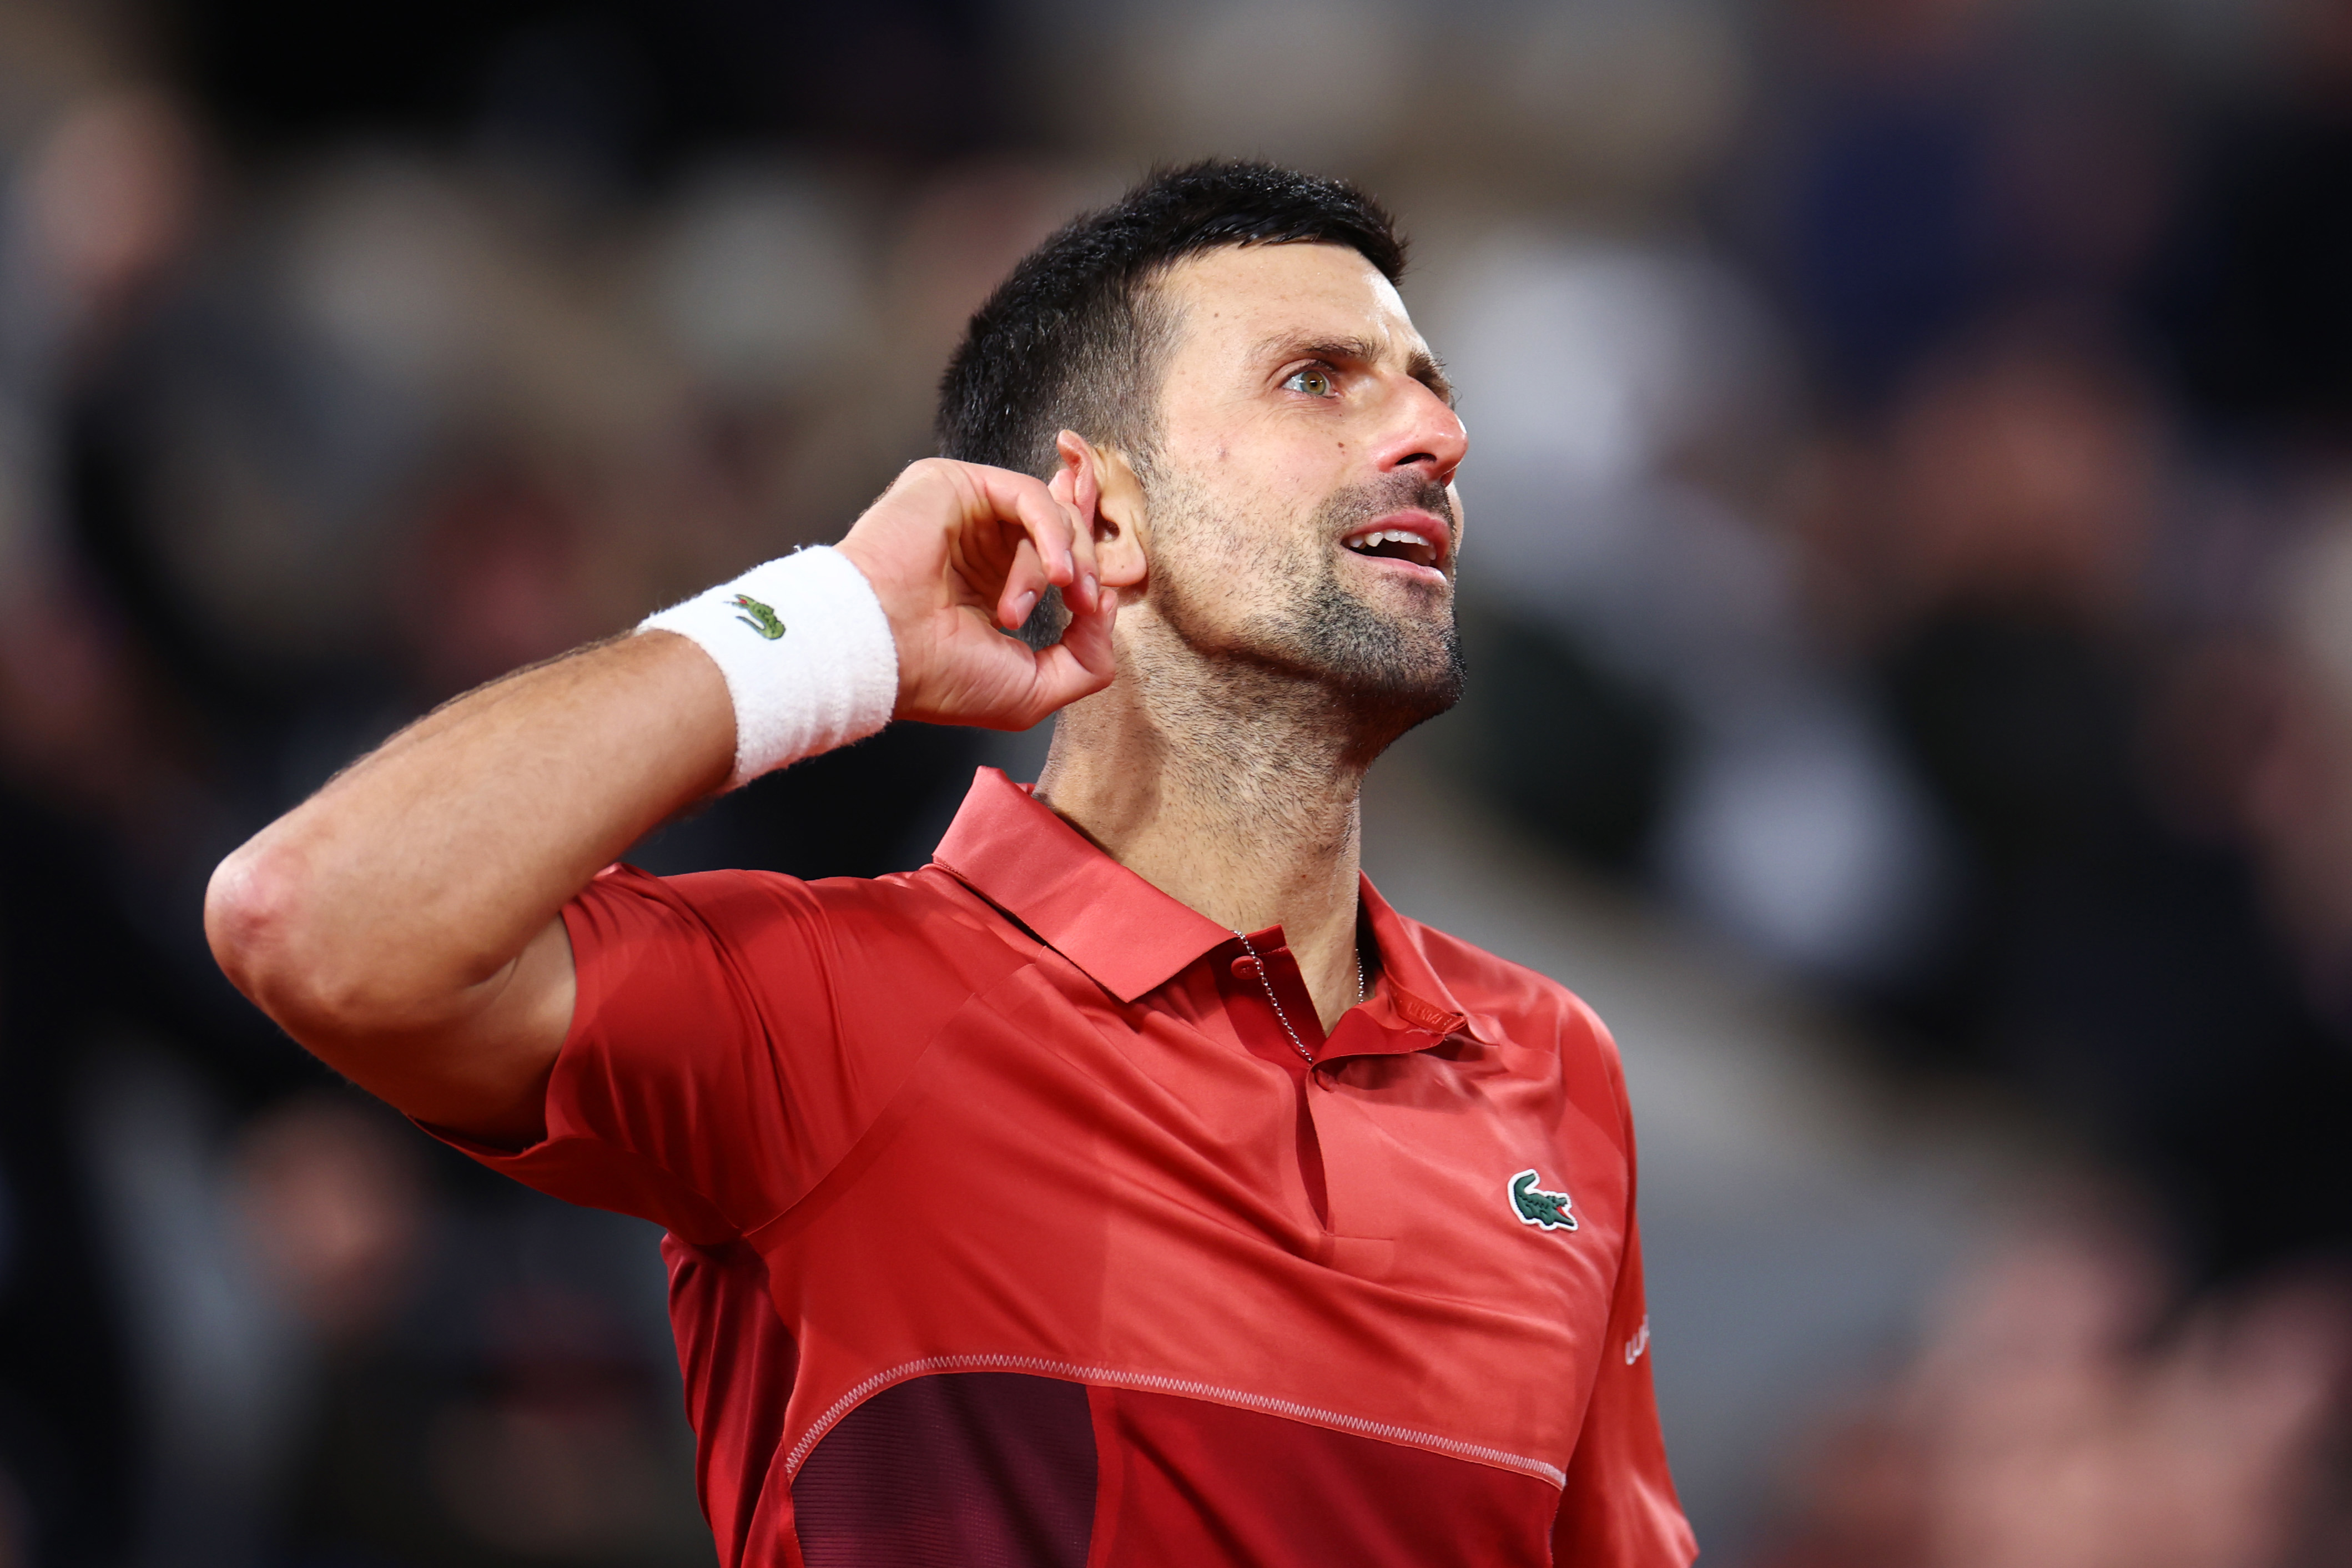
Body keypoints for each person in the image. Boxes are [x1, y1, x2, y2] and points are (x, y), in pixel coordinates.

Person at [206, 160, 1695, 1568]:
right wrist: (836, 622)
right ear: (1099, 509)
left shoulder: (1556, 1072)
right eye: (1319, 380)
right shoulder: (834, 1012)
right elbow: (313, 916)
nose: (1439, 438)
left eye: (1430, 387)